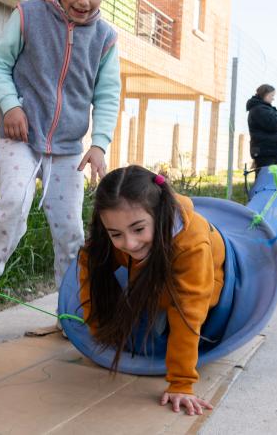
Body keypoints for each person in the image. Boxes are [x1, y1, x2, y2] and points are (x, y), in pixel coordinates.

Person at [0, 0, 121, 332]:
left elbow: (107, 94)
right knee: (13, 202)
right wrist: (10, 106)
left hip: (66, 151)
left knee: (71, 232)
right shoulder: (28, 15)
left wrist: (99, 144)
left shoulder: (106, 39)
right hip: (22, 138)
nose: (84, 0)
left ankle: (71, 313)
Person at [78, 166, 223, 415]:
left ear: (159, 215)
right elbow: (89, 272)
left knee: (161, 327)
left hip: (207, 277)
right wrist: (98, 331)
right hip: (150, 271)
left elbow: (189, 310)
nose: (130, 243)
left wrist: (181, 383)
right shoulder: (116, 237)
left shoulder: (191, 243)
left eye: (138, 229)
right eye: (116, 234)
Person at [246, 84, 277, 172]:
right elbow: (276, 125)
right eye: (271, 95)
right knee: (265, 180)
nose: (273, 98)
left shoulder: (263, 108)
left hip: (269, 150)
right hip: (266, 151)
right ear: (265, 94)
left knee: (269, 179)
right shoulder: (260, 109)